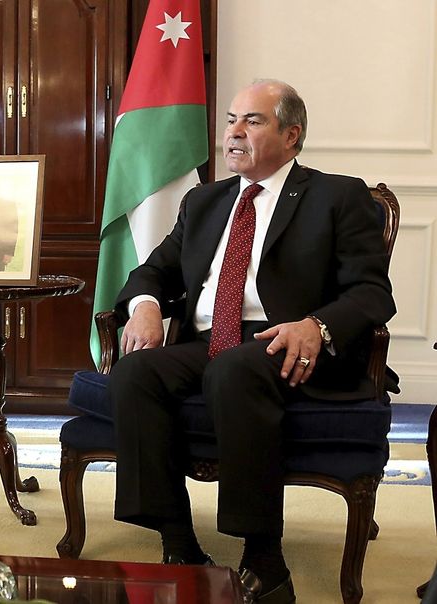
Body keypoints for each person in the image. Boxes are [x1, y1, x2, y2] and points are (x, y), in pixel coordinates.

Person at [109, 80, 395, 603]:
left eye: (253, 121)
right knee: (134, 372)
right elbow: (152, 272)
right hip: (208, 341)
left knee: (235, 368)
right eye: (231, 121)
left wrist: (317, 325)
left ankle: (265, 556)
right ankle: (179, 542)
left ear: (292, 135)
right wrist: (146, 306)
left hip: (286, 343)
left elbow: (372, 292)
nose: (234, 133)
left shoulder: (336, 194)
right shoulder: (205, 201)